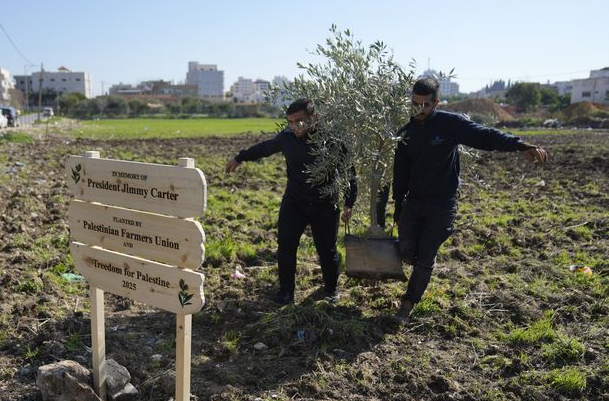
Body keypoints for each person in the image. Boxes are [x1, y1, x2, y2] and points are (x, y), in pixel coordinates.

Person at [391, 78, 548, 319]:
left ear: (436, 104)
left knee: (425, 256)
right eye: (414, 104)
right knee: (405, 250)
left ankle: (408, 303)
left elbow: (485, 136)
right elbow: (400, 174)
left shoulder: (449, 124)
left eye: (425, 105)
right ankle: (419, 267)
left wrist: (519, 145)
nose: (419, 110)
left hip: (442, 204)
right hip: (414, 202)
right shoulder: (406, 133)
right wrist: (398, 206)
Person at [225, 98, 357, 305]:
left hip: (325, 204)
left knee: (327, 249)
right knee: (286, 244)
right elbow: (264, 148)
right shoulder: (287, 138)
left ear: (314, 118)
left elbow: (349, 172)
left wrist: (350, 202)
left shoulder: (332, 141)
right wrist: (240, 158)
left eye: (300, 121)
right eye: (291, 122)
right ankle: (286, 292)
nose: (295, 126)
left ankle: (331, 290)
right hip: (295, 202)